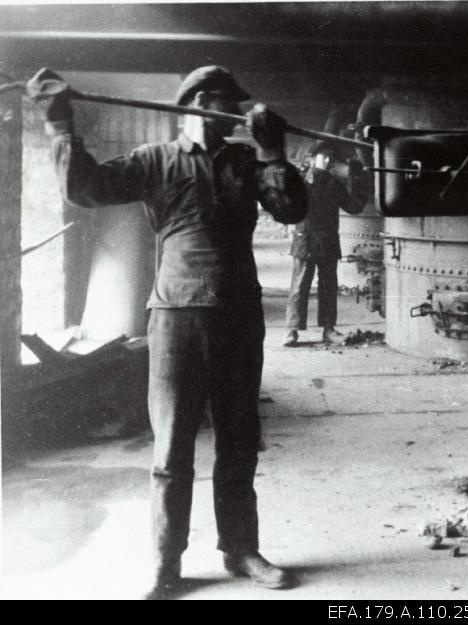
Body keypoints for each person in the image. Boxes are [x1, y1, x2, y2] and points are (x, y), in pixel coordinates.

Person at [28, 66, 308, 598]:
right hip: (177, 316)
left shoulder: (244, 162)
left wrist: (274, 152)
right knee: (173, 448)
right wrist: (60, 123)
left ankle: (241, 550)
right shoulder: (155, 160)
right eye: (229, 102)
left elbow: (292, 209)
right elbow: (85, 188)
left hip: (237, 316)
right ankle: (166, 562)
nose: (238, 114)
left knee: (239, 440)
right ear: (199, 103)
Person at [283, 141, 367, 346]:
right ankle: (292, 330)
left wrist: (358, 178)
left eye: (331, 158)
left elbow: (354, 207)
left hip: (327, 242)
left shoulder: (334, 184)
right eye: (324, 157)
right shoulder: (301, 182)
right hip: (306, 240)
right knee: (300, 286)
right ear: (313, 159)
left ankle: (328, 330)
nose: (328, 161)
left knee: (328, 287)